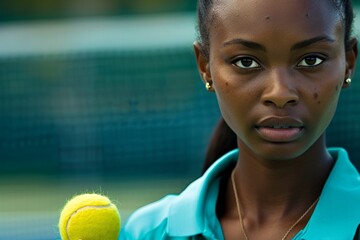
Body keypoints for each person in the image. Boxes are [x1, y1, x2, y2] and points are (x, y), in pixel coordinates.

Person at [120, 0, 360, 239]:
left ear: (348, 63)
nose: (280, 93)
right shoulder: (146, 232)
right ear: (205, 66)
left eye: (311, 60)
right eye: (246, 62)